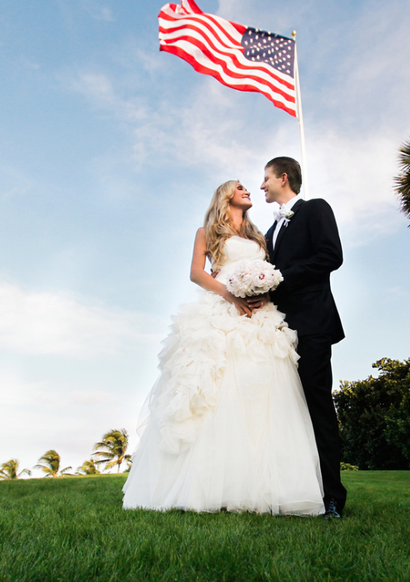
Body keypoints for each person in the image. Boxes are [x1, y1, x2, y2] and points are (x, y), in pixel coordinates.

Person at [122, 180, 324, 516]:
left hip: (259, 315)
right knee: (215, 391)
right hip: (221, 308)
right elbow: (196, 273)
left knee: (257, 390)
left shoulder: (260, 236)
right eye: (241, 187)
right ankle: (205, 485)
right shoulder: (207, 232)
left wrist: (262, 289)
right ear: (226, 195)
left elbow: (271, 271)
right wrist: (230, 293)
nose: (250, 190)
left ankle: (257, 485)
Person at [262, 157, 347, 518]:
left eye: (266, 178)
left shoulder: (315, 209)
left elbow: (331, 256)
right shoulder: (267, 233)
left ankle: (332, 495)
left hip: (312, 324)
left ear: (284, 178)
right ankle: (294, 490)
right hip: (276, 330)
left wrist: (281, 276)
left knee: (317, 406)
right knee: (283, 409)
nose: (262, 185)